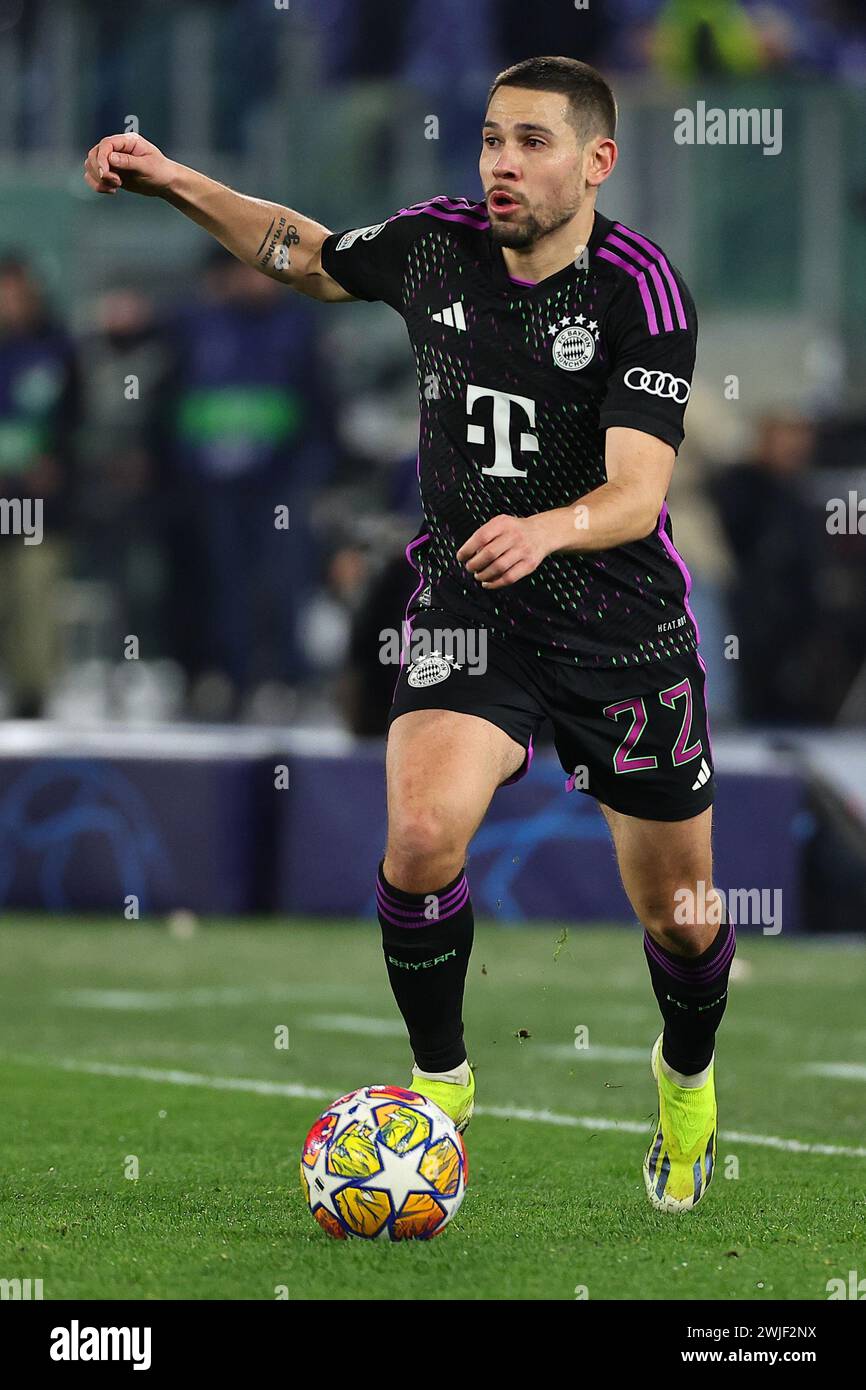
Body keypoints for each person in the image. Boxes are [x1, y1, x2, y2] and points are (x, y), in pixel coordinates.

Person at [83, 54, 732, 1213]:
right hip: (471, 601)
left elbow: (636, 493)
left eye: (531, 142)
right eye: (490, 138)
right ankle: (441, 1085)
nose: (499, 164)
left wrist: (545, 526)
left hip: (618, 624)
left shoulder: (641, 287)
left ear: (596, 162)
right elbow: (302, 251)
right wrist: (176, 179)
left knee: (679, 920)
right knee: (422, 833)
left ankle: (685, 1084)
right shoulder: (435, 244)